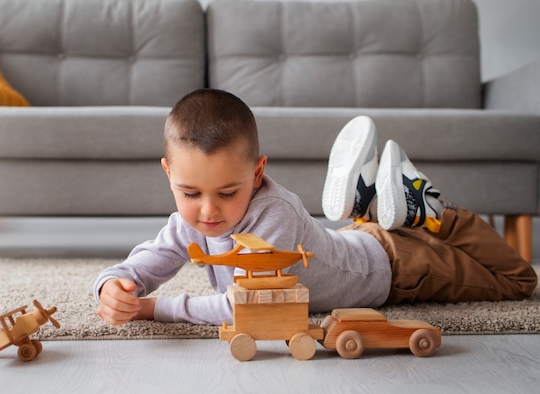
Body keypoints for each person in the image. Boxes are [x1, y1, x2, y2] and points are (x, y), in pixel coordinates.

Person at [94, 89, 537, 326]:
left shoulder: (275, 215)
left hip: (401, 269)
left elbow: (242, 307)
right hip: (357, 243)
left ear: (257, 172)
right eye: (190, 193)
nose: (208, 211)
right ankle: (378, 206)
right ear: (168, 172)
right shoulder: (188, 223)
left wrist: (152, 308)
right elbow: (144, 263)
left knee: (517, 281)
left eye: (228, 193)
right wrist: (114, 286)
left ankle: (433, 212)